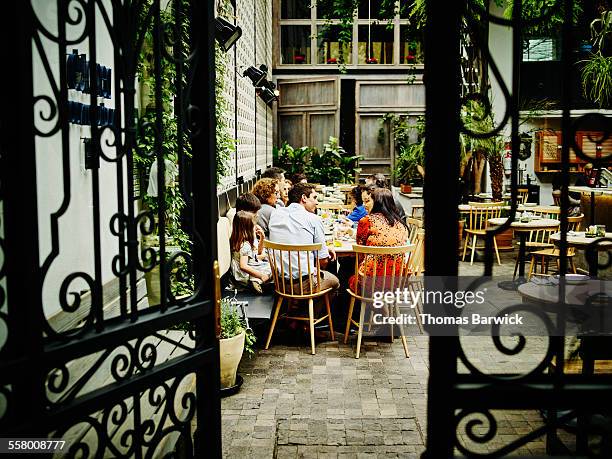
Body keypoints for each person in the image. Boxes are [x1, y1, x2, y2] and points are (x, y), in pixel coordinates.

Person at [268, 182, 340, 293]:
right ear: (304, 198)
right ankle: (312, 310)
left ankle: (297, 307)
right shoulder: (313, 219)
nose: (317, 202)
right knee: (335, 281)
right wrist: (322, 253)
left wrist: (323, 248)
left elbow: (291, 238)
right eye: (314, 197)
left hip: (280, 283)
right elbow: (323, 260)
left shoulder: (276, 214)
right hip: (303, 284)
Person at [350, 188, 409, 292]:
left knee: (347, 270)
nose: (364, 205)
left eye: (368, 201)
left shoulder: (366, 221)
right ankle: (380, 306)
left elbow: (361, 252)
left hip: (369, 283)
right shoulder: (400, 224)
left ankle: (350, 307)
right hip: (397, 282)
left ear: (376, 202)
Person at [230, 211, 272, 293]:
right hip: (245, 274)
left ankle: (256, 280)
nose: (255, 228)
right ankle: (256, 280)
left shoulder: (240, 241)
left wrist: (262, 238)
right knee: (274, 269)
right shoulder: (245, 246)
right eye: (253, 226)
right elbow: (243, 266)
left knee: (272, 266)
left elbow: (257, 254)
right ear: (247, 228)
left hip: (249, 266)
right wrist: (261, 275)